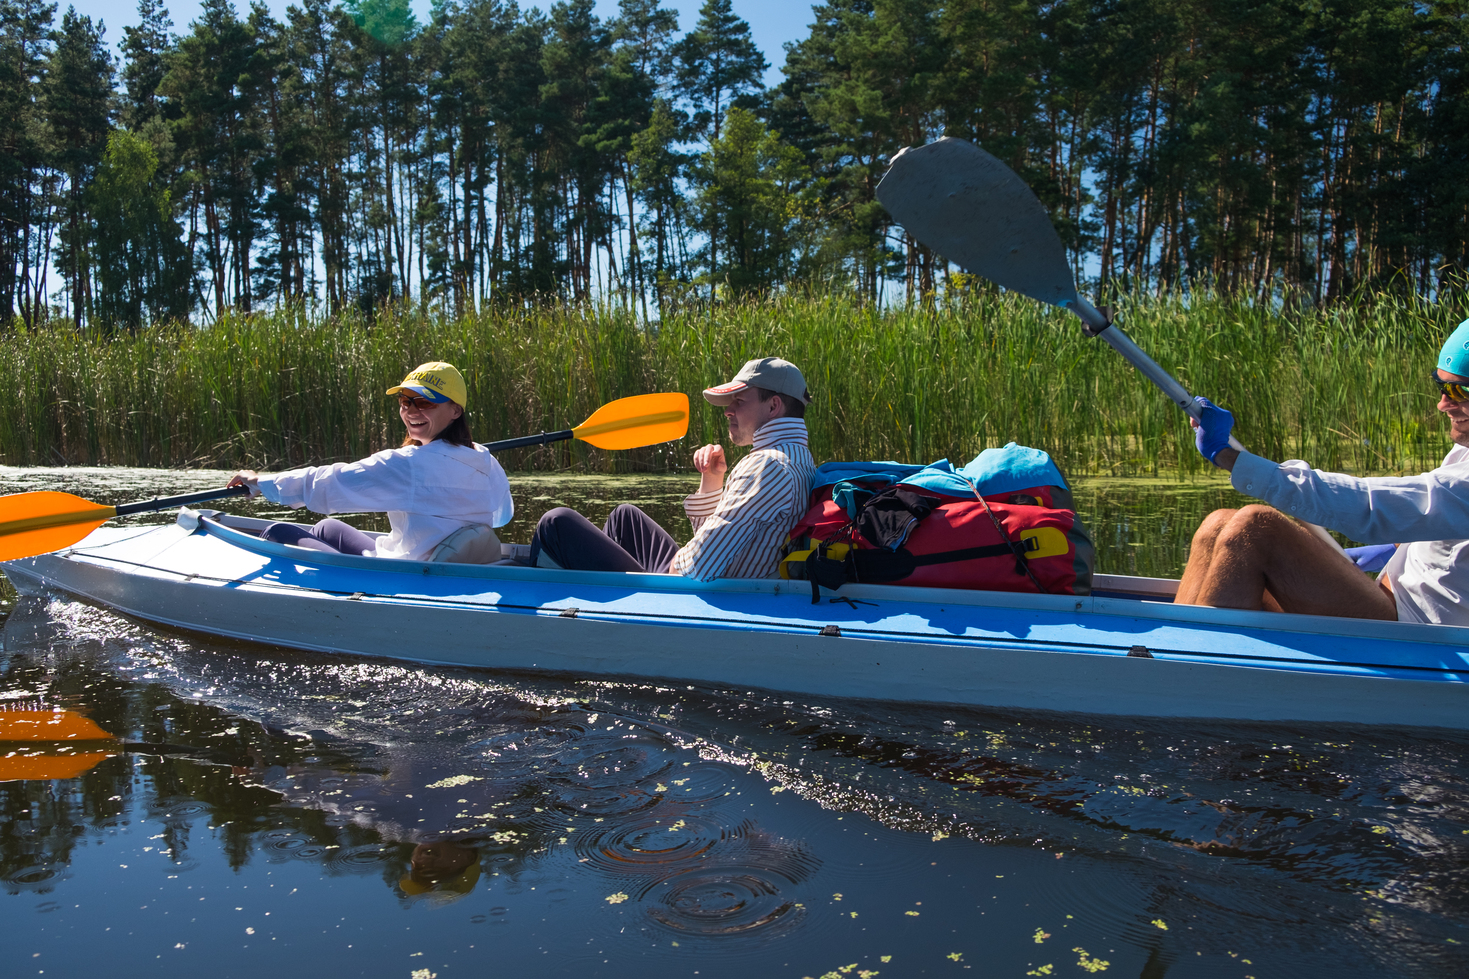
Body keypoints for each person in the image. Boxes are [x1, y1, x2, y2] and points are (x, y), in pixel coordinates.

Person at [1176, 320, 1469, 624]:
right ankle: (1174, 642)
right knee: (1218, 525)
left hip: (1418, 632)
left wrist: (1228, 456)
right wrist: (1393, 548)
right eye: (1440, 385)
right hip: (1387, 598)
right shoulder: (1464, 449)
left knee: (1254, 528)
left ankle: (1191, 652)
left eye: (1459, 391)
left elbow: (1371, 505)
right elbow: (1437, 514)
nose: (1442, 404)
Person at [528, 357, 817, 580]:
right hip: (716, 582)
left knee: (556, 522)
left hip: (696, 597)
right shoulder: (799, 457)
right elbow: (717, 548)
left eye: (739, 401)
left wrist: (674, 566)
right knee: (624, 518)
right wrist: (712, 481)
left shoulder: (767, 466)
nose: (728, 410)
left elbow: (698, 568)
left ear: (773, 406)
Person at [226, 361, 513, 561]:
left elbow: (328, 484)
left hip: (405, 575)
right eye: (405, 401)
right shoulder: (486, 460)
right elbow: (501, 517)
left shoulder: (408, 464)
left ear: (455, 411)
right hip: (435, 563)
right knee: (327, 528)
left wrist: (261, 482)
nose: (412, 411)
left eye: (425, 402)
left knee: (276, 532)